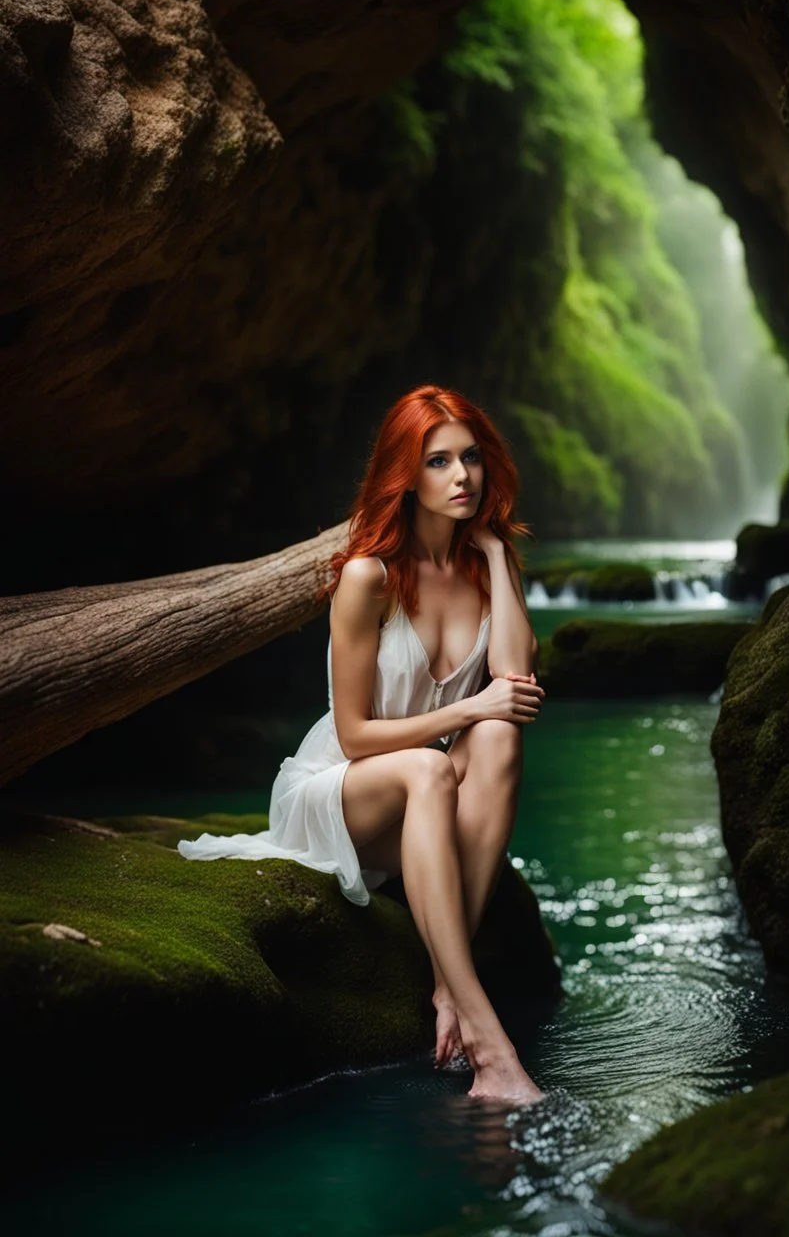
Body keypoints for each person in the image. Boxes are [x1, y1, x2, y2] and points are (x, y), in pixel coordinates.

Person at [179, 384, 546, 1104]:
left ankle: (448, 985)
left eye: (471, 458)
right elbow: (352, 734)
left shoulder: (482, 567)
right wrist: (470, 707)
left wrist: (500, 556)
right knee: (434, 766)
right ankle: (488, 1045)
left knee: (497, 736)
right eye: (438, 462)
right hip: (344, 787)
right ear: (405, 474)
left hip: (424, 790)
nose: (462, 476)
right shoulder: (367, 578)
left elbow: (514, 678)